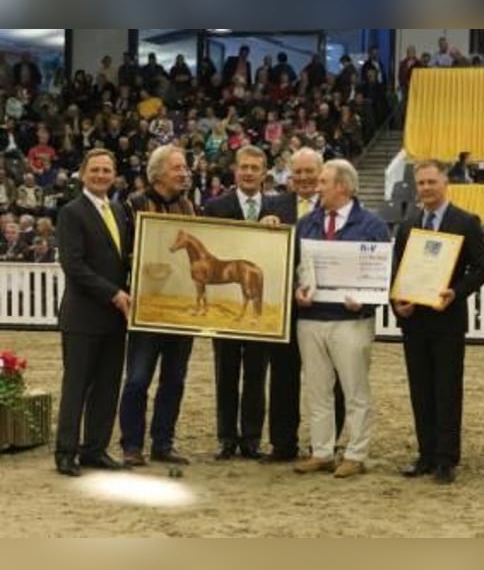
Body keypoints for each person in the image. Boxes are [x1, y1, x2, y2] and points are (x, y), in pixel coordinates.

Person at [392, 160, 484, 484]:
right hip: (414, 322)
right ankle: (426, 455)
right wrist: (398, 303)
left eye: (431, 182)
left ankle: (447, 458)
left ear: (445, 183)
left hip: (447, 320)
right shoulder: (407, 225)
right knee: (420, 389)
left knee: (447, 389)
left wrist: (456, 292)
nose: (426, 188)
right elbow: (398, 272)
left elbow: (481, 269)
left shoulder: (466, 222)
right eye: (421, 183)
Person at [292, 159, 390, 479]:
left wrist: (365, 300)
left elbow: (381, 275)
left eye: (323, 182)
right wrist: (297, 291)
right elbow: (295, 268)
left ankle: (356, 453)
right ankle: (322, 451)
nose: (316, 188)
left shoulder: (372, 225)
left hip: (351, 320)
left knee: (355, 390)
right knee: (317, 390)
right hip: (311, 318)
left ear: (343, 187)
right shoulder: (306, 223)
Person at [259, 147, 347, 460]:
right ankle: (283, 444)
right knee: (283, 377)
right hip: (285, 308)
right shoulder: (272, 206)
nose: (305, 178)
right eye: (298, 172)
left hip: (327, 307)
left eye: (311, 172)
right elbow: (260, 255)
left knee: (329, 378)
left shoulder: (337, 207)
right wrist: (263, 226)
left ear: (322, 173)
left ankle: (325, 444)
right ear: (289, 175)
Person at [54, 148, 131, 477]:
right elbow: (73, 265)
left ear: (114, 175)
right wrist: (113, 293)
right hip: (83, 316)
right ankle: (66, 452)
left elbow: (123, 261)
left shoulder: (117, 210)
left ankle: (95, 449)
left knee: (107, 385)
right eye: (95, 170)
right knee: (77, 386)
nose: (101, 175)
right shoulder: (72, 212)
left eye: (107, 170)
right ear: (83, 174)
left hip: (114, 319)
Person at [118, 145, 195, 467]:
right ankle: (132, 445)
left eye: (185, 168)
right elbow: (121, 254)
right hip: (146, 308)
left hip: (179, 308)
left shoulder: (189, 206)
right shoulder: (133, 205)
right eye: (178, 168)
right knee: (137, 378)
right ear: (159, 172)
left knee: (174, 379)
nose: (185, 173)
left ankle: (163, 443)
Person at [203, 145, 271, 460]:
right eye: (243, 167)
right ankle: (227, 437)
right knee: (226, 372)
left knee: (256, 374)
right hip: (226, 305)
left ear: (264, 174)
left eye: (254, 168)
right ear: (235, 171)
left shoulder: (278, 207)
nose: (248, 173)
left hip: (258, 302)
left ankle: (252, 438)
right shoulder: (216, 207)